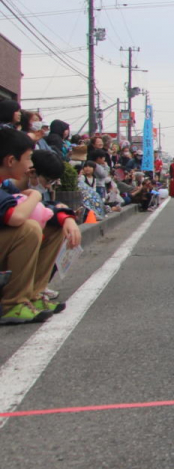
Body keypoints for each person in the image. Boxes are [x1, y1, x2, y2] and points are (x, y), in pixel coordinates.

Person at [0, 128, 79, 324]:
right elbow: (16, 216)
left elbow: (43, 208)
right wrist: (35, 196)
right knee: (28, 229)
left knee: (53, 227)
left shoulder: (5, 186)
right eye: (28, 159)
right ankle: (12, 304)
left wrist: (66, 218)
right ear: (11, 161)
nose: (29, 166)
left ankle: (33, 295)